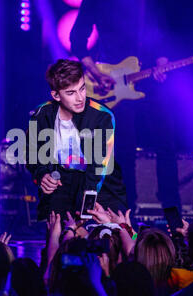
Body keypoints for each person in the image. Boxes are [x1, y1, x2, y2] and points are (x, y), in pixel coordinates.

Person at [70, 0, 181, 211]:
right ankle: (127, 215)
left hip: (149, 80)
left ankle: (173, 216)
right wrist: (95, 72)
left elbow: (161, 35)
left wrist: (162, 62)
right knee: (124, 150)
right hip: (114, 81)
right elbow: (77, 37)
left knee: (166, 145)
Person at [26, 59, 127, 221]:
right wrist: (42, 175)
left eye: (82, 88)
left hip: (99, 185)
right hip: (62, 182)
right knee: (56, 235)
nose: (80, 98)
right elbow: (32, 156)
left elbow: (98, 168)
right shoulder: (41, 115)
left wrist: (84, 211)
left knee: (109, 237)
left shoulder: (102, 115)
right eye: (71, 93)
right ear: (56, 95)